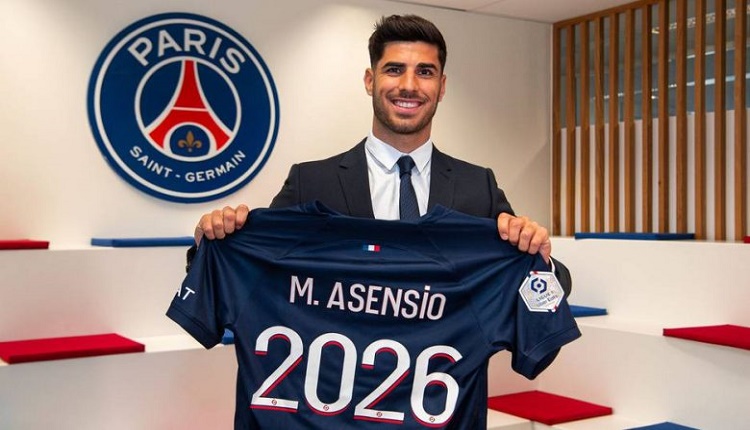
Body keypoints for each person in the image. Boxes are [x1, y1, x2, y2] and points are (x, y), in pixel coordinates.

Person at [190, 14, 571, 295]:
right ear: (370, 81)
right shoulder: (312, 182)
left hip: (445, 382)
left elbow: (551, 289)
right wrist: (213, 242)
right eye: (394, 69)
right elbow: (251, 277)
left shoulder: (478, 187)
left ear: (441, 87)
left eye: (425, 72)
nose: (409, 85)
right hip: (336, 380)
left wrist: (541, 257)